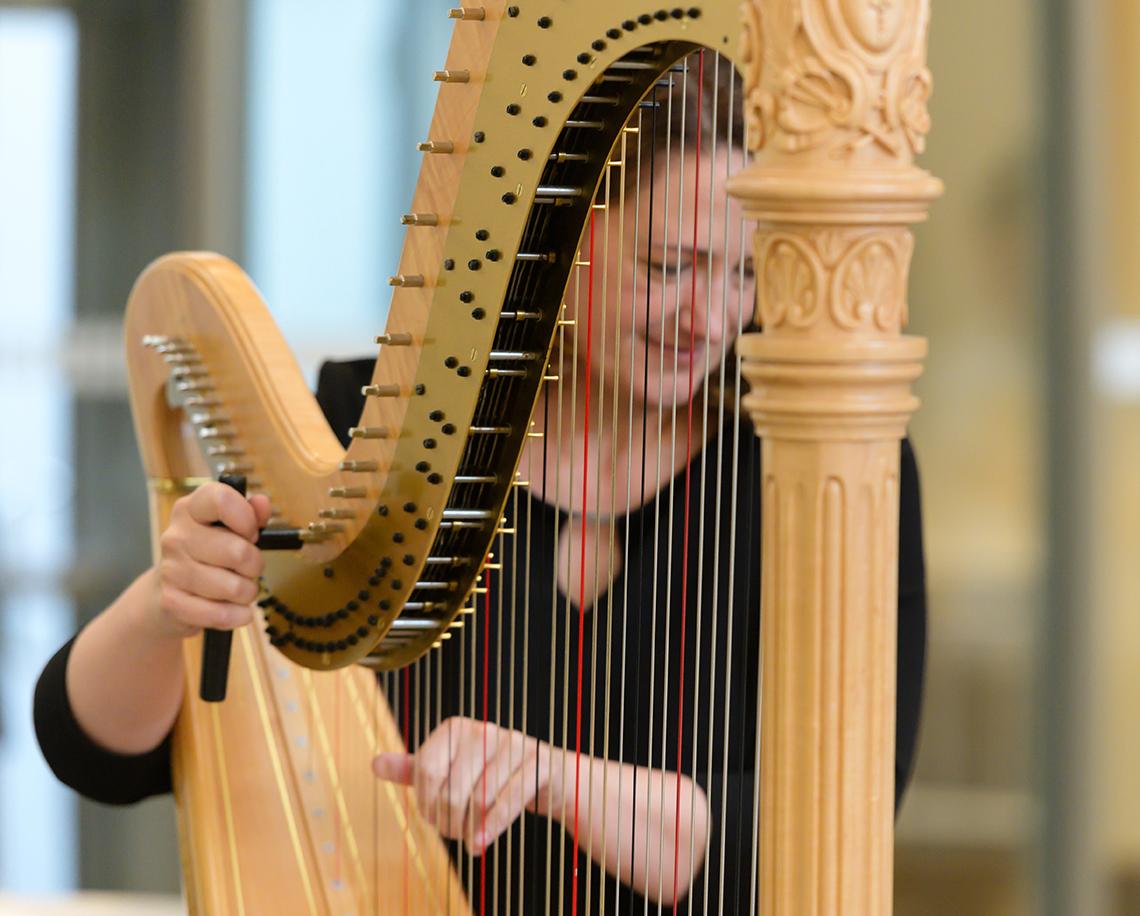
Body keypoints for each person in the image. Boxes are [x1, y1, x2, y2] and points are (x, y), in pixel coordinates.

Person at [36, 60, 926, 913]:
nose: (708, 318)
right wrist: (167, 604)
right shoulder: (367, 433)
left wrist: (554, 780)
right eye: (667, 267)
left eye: (740, 275)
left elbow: (829, 833)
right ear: (554, 239)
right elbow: (98, 756)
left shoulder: (810, 477)